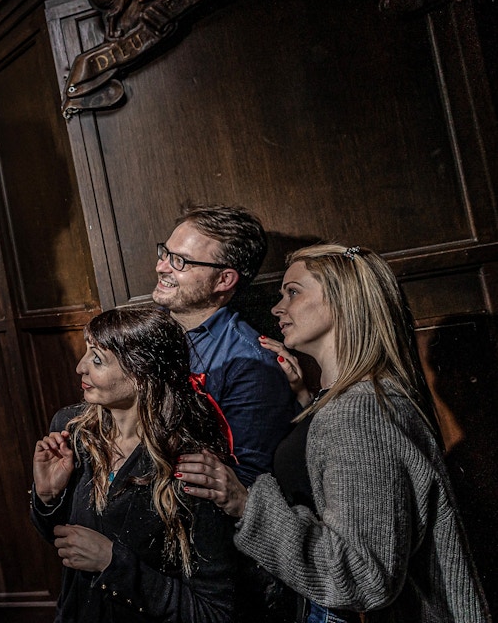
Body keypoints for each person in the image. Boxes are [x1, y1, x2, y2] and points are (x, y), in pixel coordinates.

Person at [176, 244, 492, 622]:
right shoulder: (350, 400)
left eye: (293, 292)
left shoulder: (359, 412)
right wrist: (307, 401)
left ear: (343, 301)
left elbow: (362, 576)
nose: (278, 308)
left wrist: (245, 503)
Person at [31, 305, 239, 622]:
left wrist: (114, 564)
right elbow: (69, 545)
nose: (80, 367)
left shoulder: (191, 465)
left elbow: (215, 612)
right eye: (86, 353)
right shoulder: (73, 430)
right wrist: (47, 499)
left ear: (141, 376)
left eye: (97, 359)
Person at [153, 204, 298, 486]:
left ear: (224, 279)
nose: (161, 266)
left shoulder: (251, 363)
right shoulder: (140, 330)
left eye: (179, 261)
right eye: (165, 253)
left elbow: (247, 479)